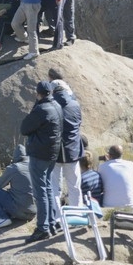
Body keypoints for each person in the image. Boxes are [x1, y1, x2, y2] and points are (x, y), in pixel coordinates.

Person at [20, 81, 62, 243]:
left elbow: (24, 128)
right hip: (52, 153)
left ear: (38, 93)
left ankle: (42, 228)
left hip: (40, 154)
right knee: (48, 188)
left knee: (40, 192)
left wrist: (35, 106)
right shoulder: (57, 106)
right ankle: (51, 223)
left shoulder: (41, 109)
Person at [0, 144, 36, 230]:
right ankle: (6, 215)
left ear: (15, 157)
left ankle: (2, 218)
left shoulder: (14, 168)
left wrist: (9, 170)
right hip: (34, 212)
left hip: (20, 211)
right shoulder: (34, 165)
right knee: (15, 193)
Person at [52, 79, 83, 208]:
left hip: (54, 152)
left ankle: (57, 217)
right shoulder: (75, 105)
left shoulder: (50, 106)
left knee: (54, 187)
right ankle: (78, 214)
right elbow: (79, 123)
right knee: (75, 186)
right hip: (72, 151)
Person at [97, 145, 133, 209]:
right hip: (130, 206)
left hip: (108, 205)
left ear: (109, 155)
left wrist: (107, 162)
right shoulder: (131, 164)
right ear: (122, 154)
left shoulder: (102, 167)